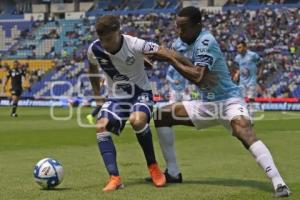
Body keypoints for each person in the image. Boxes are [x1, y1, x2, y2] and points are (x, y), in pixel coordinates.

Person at [147, 6, 291, 197]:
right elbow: (174, 57)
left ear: (198, 26)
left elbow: (198, 76)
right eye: (177, 27)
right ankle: (173, 173)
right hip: (206, 104)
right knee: (161, 115)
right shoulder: (179, 42)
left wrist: (171, 60)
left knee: (243, 130)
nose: (179, 32)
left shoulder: (206, 41)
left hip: (229, 100)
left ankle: (279, 182)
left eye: (184, 27)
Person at [87, 15, 166, 192]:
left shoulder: (134, 43)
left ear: (118, 32)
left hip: (140, 93)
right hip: (117, 98)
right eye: (102, 40)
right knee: (100, 126)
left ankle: (153, 167)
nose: (105, 44)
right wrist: (97, 96)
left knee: (137, 121)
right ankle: (115, 178)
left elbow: (162, 52)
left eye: (109, 39)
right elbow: (91, 68)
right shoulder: (94, 49)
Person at [232, 41, 263, 119]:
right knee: (242, 100)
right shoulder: (237, 57)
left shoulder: (253, 55)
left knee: (251, 99)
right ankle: (245, 116)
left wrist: (260, 74)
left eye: (240, 47)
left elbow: (261, 63)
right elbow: (236, 67)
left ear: (245, 47)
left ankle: (251, 118)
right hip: (242, 82)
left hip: (251, 81)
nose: (238, 49)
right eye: (237, 48)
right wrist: (236, 74)